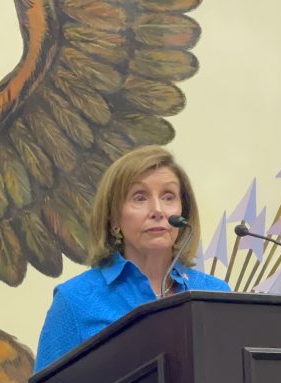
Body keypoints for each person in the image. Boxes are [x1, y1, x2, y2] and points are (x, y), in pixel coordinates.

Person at [35, 145, 230, 371]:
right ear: (114, 217)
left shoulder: (215, 294)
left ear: (183, 212)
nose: (158, 210)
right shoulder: (74, 301)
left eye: (168, 197)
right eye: (140, 198)